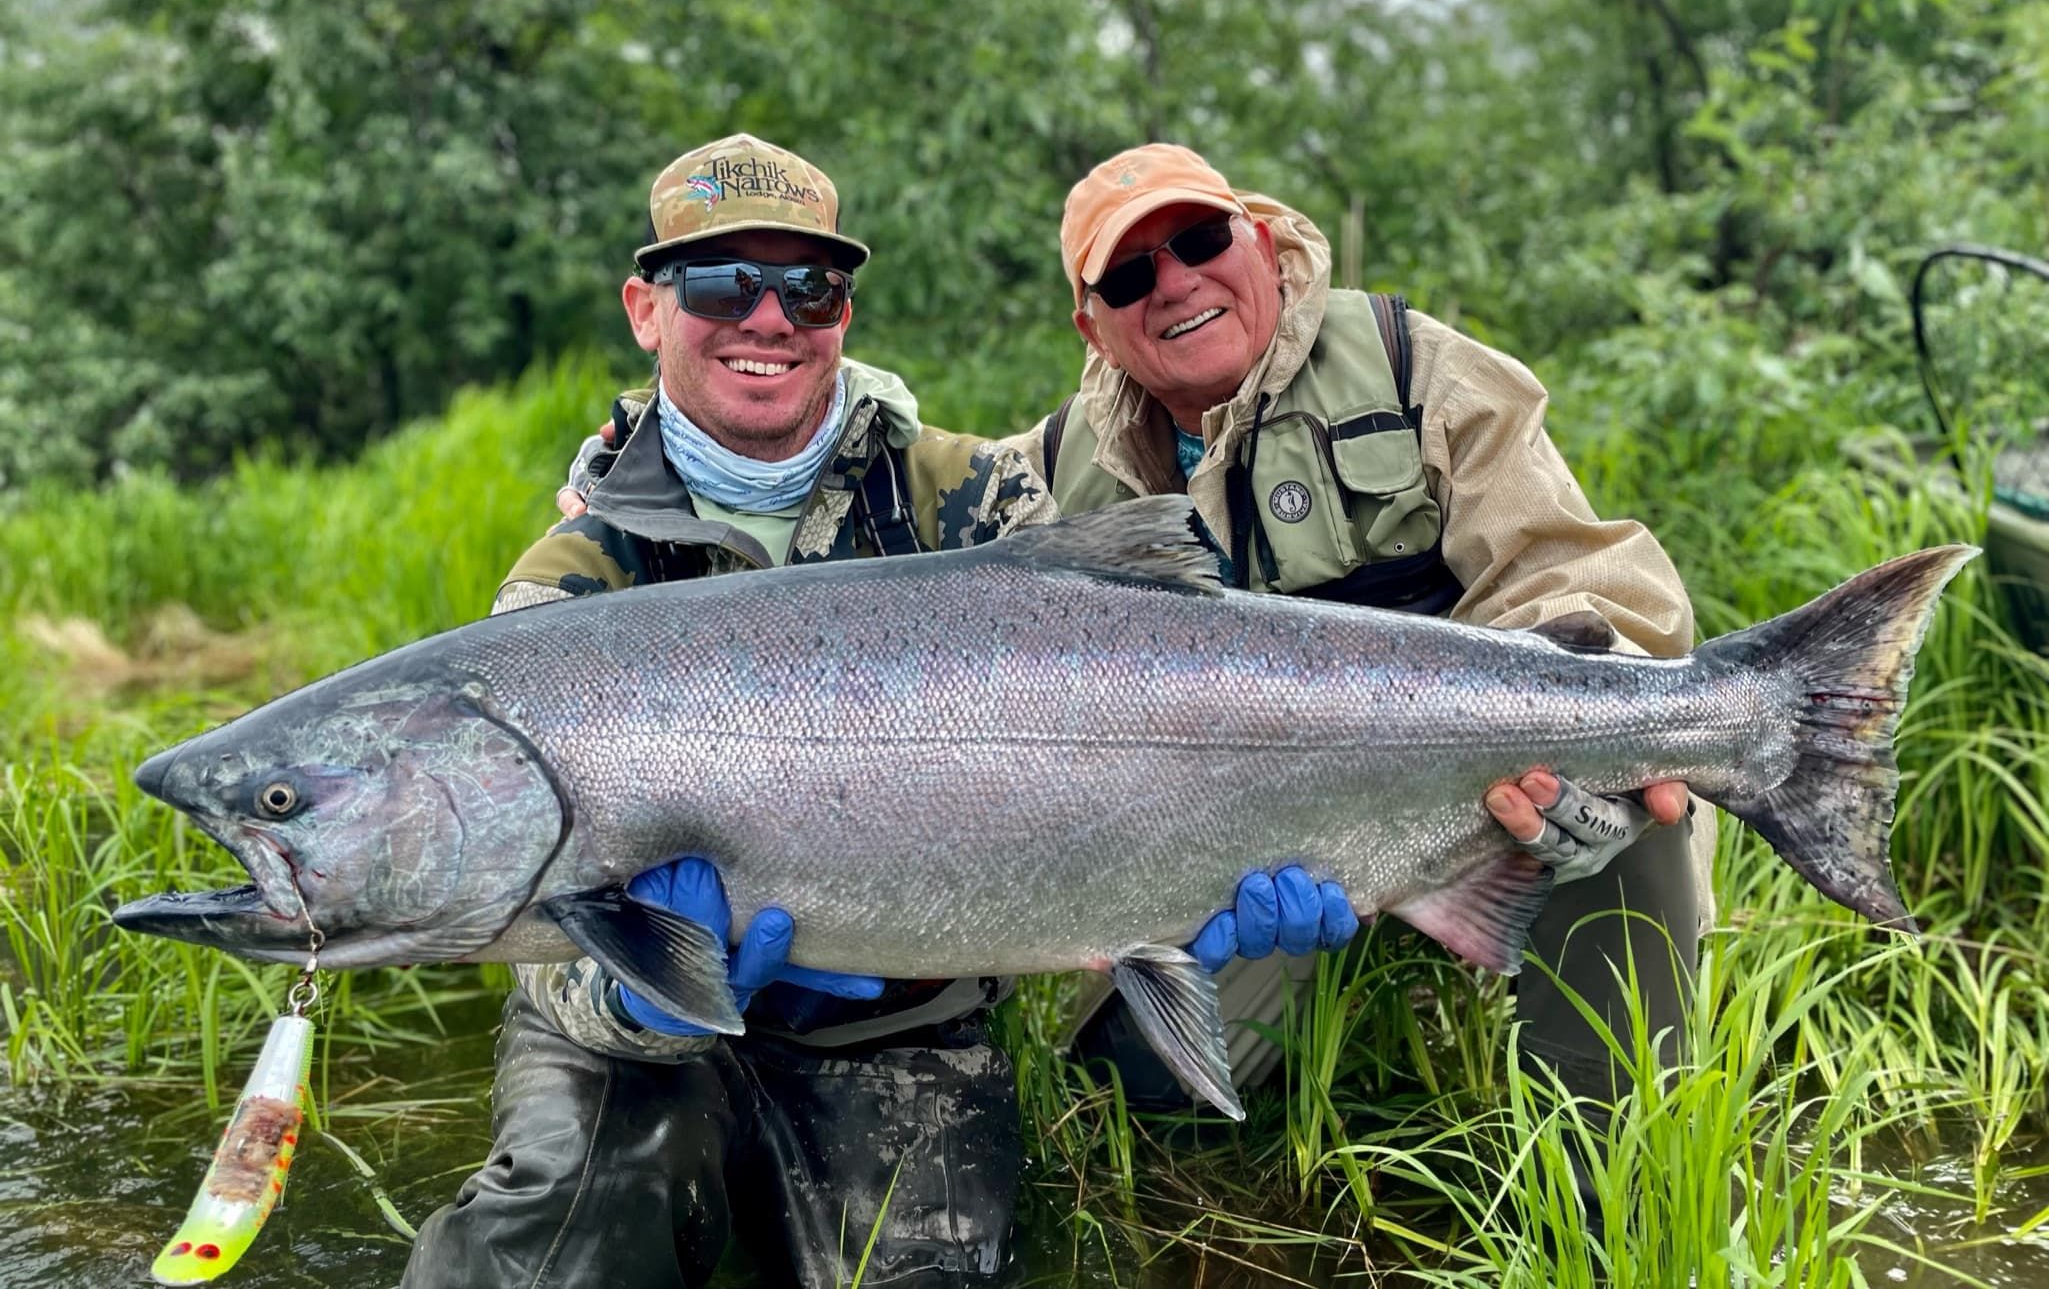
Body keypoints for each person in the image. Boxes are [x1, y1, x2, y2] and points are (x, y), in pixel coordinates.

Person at [400, 133, 1067, 1289]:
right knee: (549, 1249)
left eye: (809, 284)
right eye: (722, 282)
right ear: (647, 309)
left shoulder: (978, 502)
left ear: (843, 312)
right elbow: (527, 918)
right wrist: (634, 991)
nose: (770, 317)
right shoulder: (573, 574)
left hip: (897, 1026)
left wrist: (1204, 876)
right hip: (631, 1046)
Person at [1019, 143, 1713, 1112]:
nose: (1176, 282)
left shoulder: (1414, 368)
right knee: (1125, 1102)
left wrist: (1567, 727)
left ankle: (1608, 1181)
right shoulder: (1046, 476)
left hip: (1466, 801)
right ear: (1091, 327)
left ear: (1258, 242)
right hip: (1229, 861)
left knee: (1630, 787)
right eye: (1132, 275)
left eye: (1200, 240)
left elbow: (1577, 577)